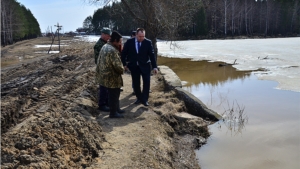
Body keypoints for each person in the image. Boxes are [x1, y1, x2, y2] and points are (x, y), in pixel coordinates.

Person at [121, 28, 158, 106]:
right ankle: (139, 98)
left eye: (143, 36)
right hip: (134, 66)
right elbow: (123, 53)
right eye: (139, 36)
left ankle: (145, 99)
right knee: (136, 83)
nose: (141, 38)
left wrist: (155, 67)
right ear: (136, 35)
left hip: (145, 66)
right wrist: (124, 64)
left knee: (146, 83)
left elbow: (151, 55)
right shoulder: (129, 42)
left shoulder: (148, 42)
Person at [96, 31, 125, 118]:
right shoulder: (112, 50)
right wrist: (123, 69)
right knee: (114, 94)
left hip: (104, 75)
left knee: (114, 93)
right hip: (111, 76)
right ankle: (113, 113)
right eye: (119, 42)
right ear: (115, 41)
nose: (120, 44)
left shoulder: (105, 46)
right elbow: (118, 66)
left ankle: (116, 109)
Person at [94, 27, 111, 112]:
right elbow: (99, 60)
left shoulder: (105, 43)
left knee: (107, 87)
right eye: (108, 35)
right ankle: (102, 104)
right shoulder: (99, 45)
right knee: (103, 88)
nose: (109, 37)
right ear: (103, 34)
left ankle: (107, 103)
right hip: (102, 69)